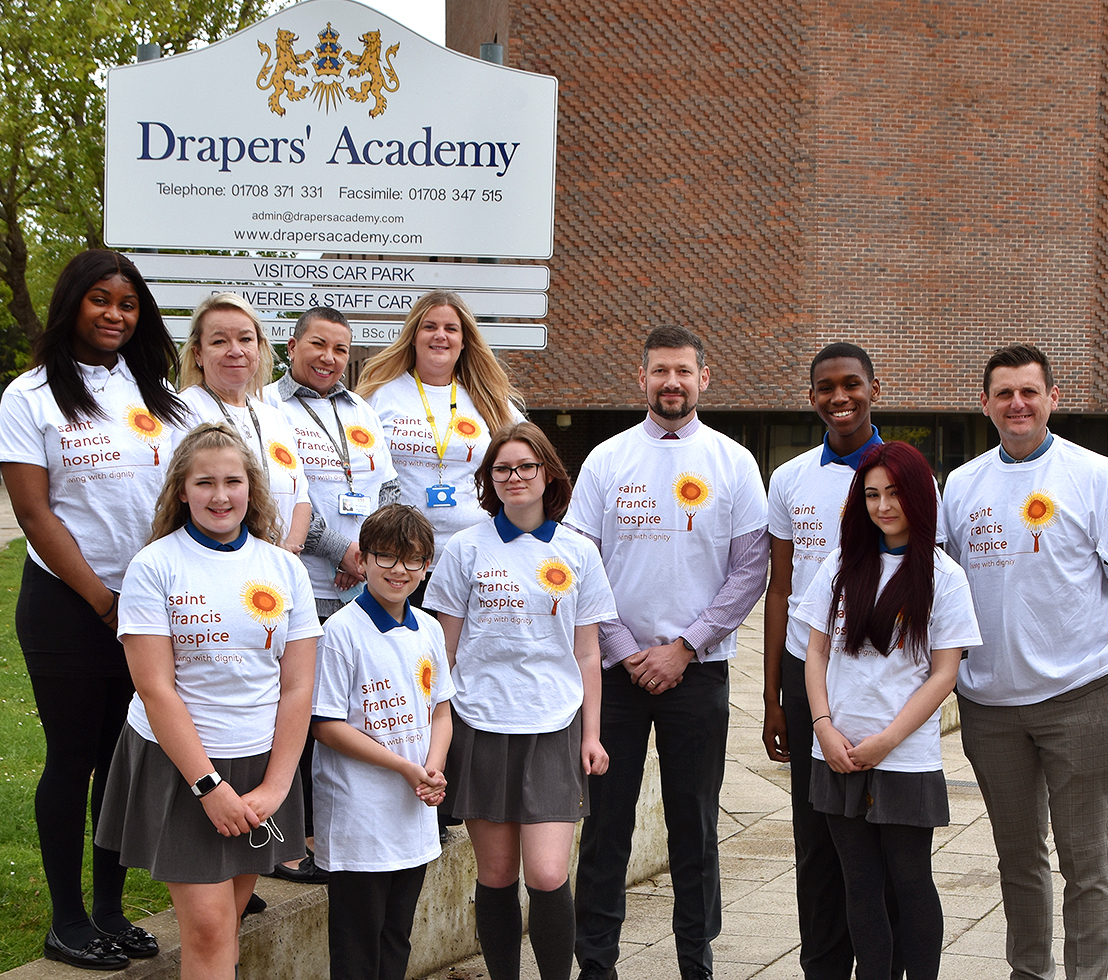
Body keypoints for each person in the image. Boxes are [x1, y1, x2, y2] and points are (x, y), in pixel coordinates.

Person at [0, 249, 189, 969]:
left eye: (128, 303)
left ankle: (109, 910)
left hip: (142, 606)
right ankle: (66, 918)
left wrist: (146, 599)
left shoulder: (155, 391)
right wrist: (103, 601)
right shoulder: (31, 396)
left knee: (123, 761)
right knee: (73, 758)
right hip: (67, 605)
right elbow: (35, 514)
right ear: (72, 304)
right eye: (100, 300)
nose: (115, 314)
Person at [568, 326, 769, 980]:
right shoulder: (606, 460)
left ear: (704, 378)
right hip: (616, 678)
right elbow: (578, 564)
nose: (672, 383)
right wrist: (627, 650)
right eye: (660, 372)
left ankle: (696, 963)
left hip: (698, 673)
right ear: (643, 376)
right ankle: (595, 964)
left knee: (696, 831)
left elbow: (749, 572)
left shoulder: (734, 462)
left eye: (683, 371)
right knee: (604, 833)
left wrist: (683, 647)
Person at [95, 422, 321, 980]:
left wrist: (276, 784)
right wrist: (207, 786)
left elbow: (298, 686)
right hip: (181, 765)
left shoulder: (284, 568)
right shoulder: (155, 566)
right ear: (181, 491)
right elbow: (155, 689)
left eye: (232, 482)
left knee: (229, 921)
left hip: (258, 764)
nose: (220, 497)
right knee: (208, 929)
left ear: (252, 488)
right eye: (204, 483)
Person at [424, 422, 615, 980]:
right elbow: (447, 649)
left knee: (550, 873)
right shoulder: (465, 547)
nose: (514, 478)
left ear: (548, 473)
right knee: (498, 873)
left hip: (555, 723)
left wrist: (592, 734)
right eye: (502, 469)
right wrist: (435, 733)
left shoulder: (579, 551)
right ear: (489, 478)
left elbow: (587, 654)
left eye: (526, 467)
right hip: (480, 723)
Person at [941, 343, 1108, 980]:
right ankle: (1030, 970)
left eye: (1029, 391)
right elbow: (943, 584)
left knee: (1087, 860)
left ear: (1052, 399)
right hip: (989, 706)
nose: (1017, 404)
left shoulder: (1092, 475)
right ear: (984, 404)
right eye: (1004, 393)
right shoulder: (962, 485)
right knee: (1018, 856)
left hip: (1080, 697)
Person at [796, 441, 980, 980]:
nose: (883, 506)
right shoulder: (840, 565)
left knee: (909, 880)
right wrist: (823, 726)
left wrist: (887, 740)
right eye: (872, 495)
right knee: (860, 883)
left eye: (895, 493)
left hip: (904, 757)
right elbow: (815, 651)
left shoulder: (944, 577)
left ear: (920, 496)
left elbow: (944, 673)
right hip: (837, 750)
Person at [761, 342, 881, 979]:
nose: (840, 397)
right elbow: (779, 588)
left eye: (852, 385)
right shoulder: (790, 477)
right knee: (814, 839)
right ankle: (824, 968)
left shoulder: (904, 472)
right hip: (803, 674)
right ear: (811, 397)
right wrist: (773, 697)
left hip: (878, 680)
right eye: (826, 387)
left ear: (874, 389)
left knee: (879, 837)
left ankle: (882, 962)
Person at [311, 504, 455, 980]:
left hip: (412, 812)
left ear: (427, 564)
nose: (400, 570)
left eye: (412, 560)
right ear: (363, 560)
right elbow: (327, 724)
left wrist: (431, 768)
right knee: (357, 944)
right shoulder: (340, 632)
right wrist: (404, 768)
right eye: (386, 558)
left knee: (397, 935)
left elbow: (440, 710)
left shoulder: (429, 629)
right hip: (360, 815)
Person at [355, 289, 525, 603]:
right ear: (413, 336)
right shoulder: (379, 397)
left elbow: (530, 468)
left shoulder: (492, 402)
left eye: (451, 329)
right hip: (398, 561)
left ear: (464, 341)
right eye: (430, 326)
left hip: (475, 557)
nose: (440, 336)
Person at [264, 307, 399, 619]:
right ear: (292, 347)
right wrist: (341, 551)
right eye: (318, 344)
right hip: (300, 589)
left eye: (340, 350)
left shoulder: (362, 410)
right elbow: (274, 497)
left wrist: (365, 554)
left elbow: (389, 488)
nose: (329, 358)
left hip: (365, 588)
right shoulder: (266, 404)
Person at [178, 292, 310, 553]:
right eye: (219, 341)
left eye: (245, 339)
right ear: (198, 354)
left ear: (258, 349)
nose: (235, 351)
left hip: (278, 564)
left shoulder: (274, 416)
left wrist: (288, 549)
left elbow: (301, 497)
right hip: (215, 559)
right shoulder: (183, 412)